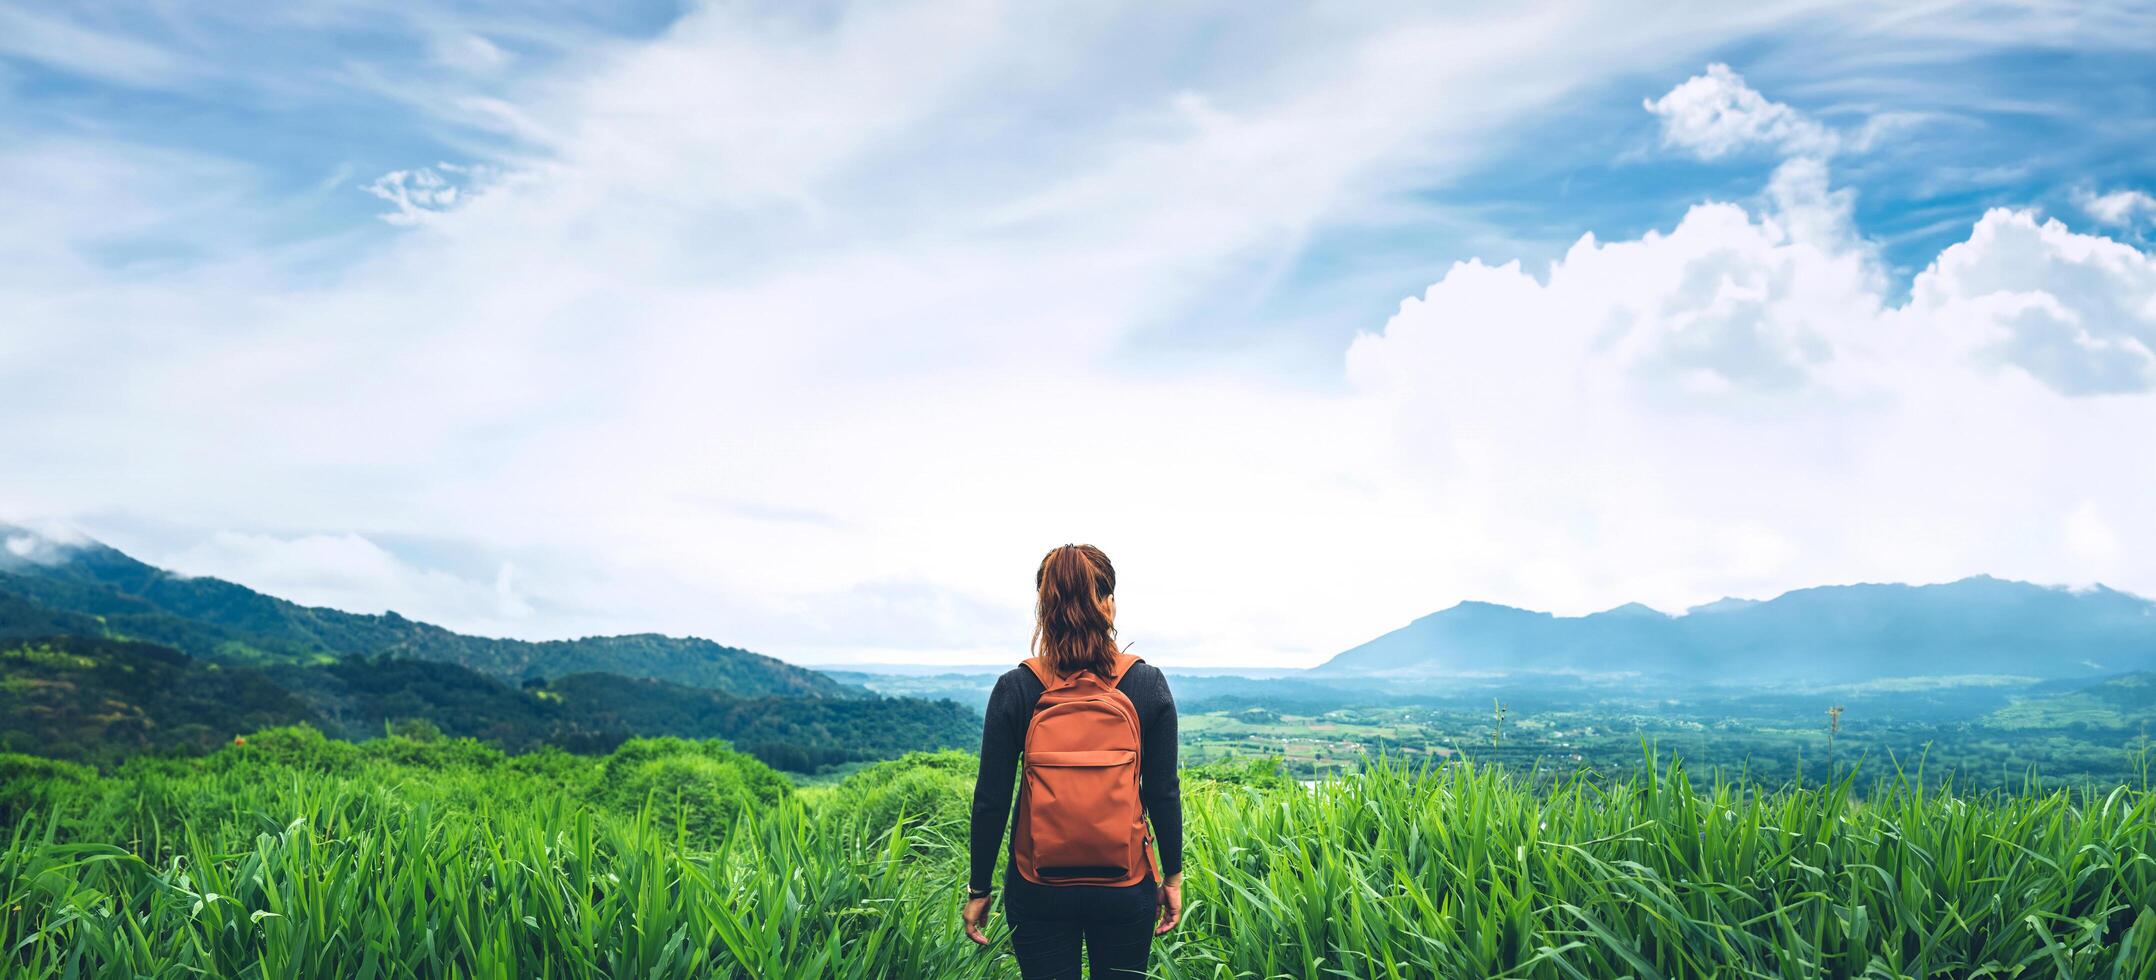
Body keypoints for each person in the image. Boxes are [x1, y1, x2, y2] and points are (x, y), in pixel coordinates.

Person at [963, 543, 1184, 979]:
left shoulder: (1017, 687)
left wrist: (980, 889)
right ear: (1108, 605)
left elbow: (991, 798)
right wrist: (1172, 877)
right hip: (1125, 886)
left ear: (1045, 608)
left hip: (1037, 886)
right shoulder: (1145, 683)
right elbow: (1162, 791)